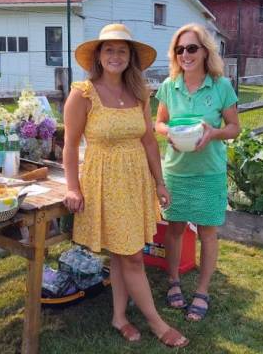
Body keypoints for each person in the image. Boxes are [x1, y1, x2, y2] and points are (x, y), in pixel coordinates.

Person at [62, 23, 189, 348]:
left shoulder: (138, 93)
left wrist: (160, 182)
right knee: (133, 256)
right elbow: (70, 144)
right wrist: (73, 187)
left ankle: (119, 316)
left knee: (123, 252)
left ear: (130, 57)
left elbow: (148, 141)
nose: (115, 56)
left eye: (122, 50)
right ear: (99, 56)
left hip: (135, 181)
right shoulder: (83, 93)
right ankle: (158, 324)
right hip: (104, 181)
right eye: (109, 49)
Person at [154, 23, 240, 322]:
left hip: (208, 172)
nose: (185, 54)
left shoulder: (221, 86)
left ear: (205, 51)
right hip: (176, 171)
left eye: (192, 48)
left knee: (207, 232)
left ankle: (202, 291)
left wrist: (213, 133)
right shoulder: (169, 85)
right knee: (175, 229)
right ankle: (174, 281)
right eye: (179, 50)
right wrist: (169, 134)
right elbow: (159, 123)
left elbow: (234, 129)